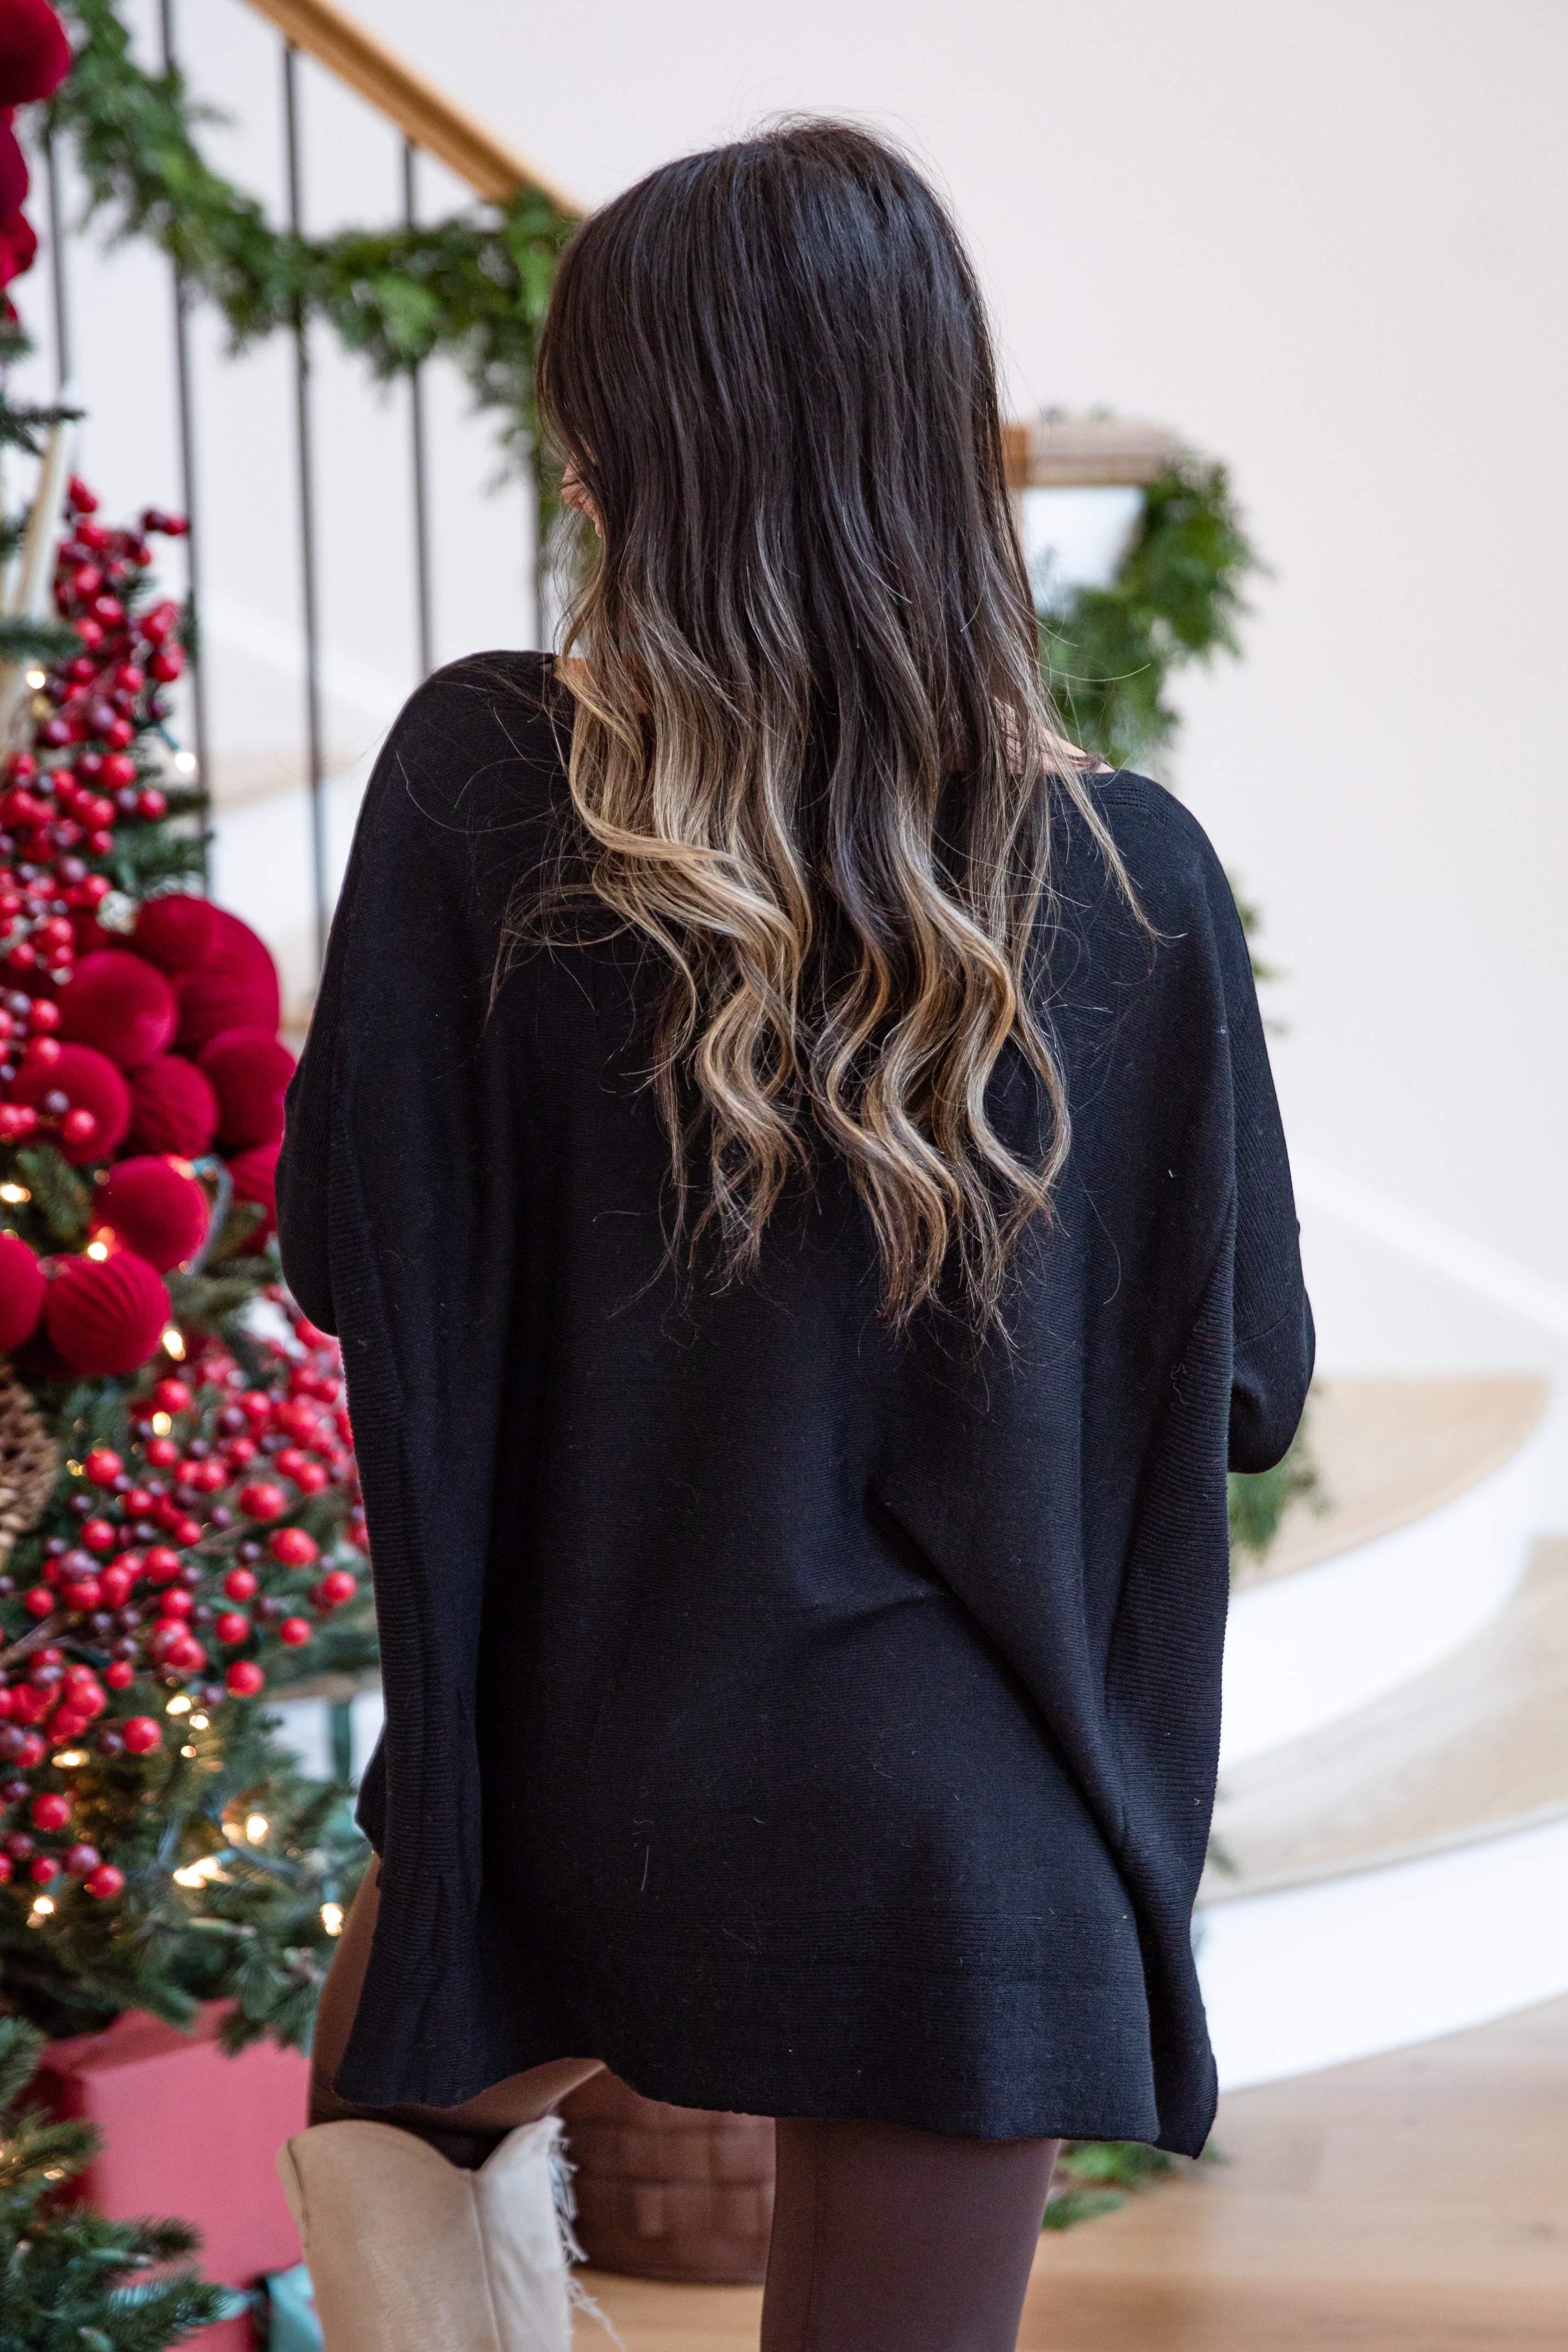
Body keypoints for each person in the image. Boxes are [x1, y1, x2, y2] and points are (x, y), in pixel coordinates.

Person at [275, 118, 1312, 2352]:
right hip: (970, 1844)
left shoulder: (480, 781)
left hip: (580, 1774)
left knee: (384, 2142)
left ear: (637, 454)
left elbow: (346, 1257)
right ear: (934, 444)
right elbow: (1246, 1387)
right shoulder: (1132, 876)